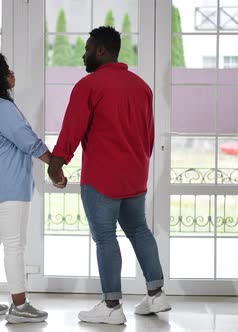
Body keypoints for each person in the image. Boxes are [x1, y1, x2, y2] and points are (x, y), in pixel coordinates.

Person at [48, 27, 172, 325]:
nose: (84, 53)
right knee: (139, 231)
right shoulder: (141, 87)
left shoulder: (89, 85)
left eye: (88, 48)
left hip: (102, 177)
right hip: (135, 175)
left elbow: (72, 128)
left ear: (101, 50)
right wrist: (139, 163)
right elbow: (149, 135)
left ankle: (112, 306)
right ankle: (156, 295)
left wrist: (57, 162)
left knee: (105, 238)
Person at [0, 52, 65, 324]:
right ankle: (20, 306)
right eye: (7, 70)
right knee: (14, 245)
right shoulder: (3, 108)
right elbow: (27, 140)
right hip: (8, 184)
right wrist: (54, 165)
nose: (13, 75)